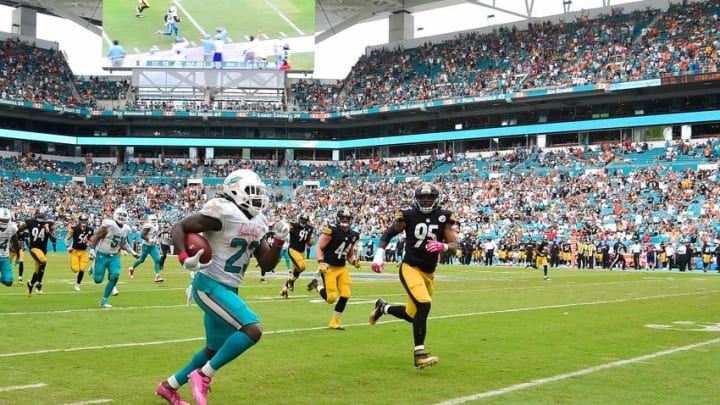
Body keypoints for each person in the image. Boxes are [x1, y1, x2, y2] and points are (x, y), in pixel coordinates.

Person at [156, 169, 285, 405]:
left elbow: (266, 263)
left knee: (213, 350)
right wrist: (184, 256)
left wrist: (278, 242)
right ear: (235, 190)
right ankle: (203, 375)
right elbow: (179, 228)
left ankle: (168, 386)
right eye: (251, 192)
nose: (257, 198)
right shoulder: (223, 210)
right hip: (209, 285)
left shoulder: (258, 220)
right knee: (252, 329)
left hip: (229, 289)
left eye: (259, 193)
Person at [368, 182, 457, 369]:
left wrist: (444, 246)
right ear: (416, 199)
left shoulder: (444, 217)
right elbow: (390, 232)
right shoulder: (407, 215)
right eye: (422, 197)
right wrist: (380, 253)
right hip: (410, 267)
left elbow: (455, 246)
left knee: (411, 315)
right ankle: (419, 354)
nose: (426, 200)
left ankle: (382, 308)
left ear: (436, 199)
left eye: (430, 197)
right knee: (424, 304)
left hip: (428, 272)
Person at [306, 207, 360, 330]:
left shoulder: (353, 235)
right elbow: (319, 247)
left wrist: (354, 261)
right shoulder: (331, 230)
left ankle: (334, 322)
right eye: (342, 218)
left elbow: (350, 254)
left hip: (342, 268)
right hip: (329, 267)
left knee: (346, 294)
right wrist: (320, 262)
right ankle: (317, 285)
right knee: (331, 298)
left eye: (347, 218)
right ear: (338, 219)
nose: (345, 220)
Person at [90, 207, 139, 308]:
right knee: (98, 280)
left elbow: (123, 243)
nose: (121, 217)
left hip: (114, 256)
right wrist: (91, 249)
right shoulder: (108, 225)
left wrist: (132, 252)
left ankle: (104, 300)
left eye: (124, 215)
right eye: (120, 214)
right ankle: (93, 267)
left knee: (115, 275)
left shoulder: (126, 229)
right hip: (102, 254)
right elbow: (96, 237)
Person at [18, 209, 57, 296]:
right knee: (43, 262)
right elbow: (20, 228)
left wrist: (49, 232)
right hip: (34, 249)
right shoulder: (30, 222)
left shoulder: (49, 224)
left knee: (39, 271)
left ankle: (31, 284)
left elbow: (54, 240)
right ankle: (39, 284)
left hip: (43, 250)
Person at [280, 212, 314, 299]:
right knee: (302, 267)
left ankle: (284, 290)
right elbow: (285, 229)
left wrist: (310, 240)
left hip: (302, 252)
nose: (303, 221)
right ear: (299, 219)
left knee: (296, 273)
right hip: (293, 250)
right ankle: (290, 281)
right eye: (302, 219)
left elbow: (310, 242)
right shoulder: (293, 225)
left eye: (305, 220)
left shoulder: (309, 228)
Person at [128, 214, 165, 282]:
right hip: (146, 245)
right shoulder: (148, 226)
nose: (154, 221)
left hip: (153, 246)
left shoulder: (156, 225)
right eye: (152, 220)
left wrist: (156, 241)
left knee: (157, 260)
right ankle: (132, 268)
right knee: (141, 260)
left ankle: (157, 276)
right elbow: (142, 235)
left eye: (154, 220)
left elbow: (154, 235)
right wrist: (149, 239)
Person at [64, 213, 94, 291]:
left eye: (85, 220)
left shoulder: (90, 230)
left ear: (87, 221)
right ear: (79, 221)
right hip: (75, 251)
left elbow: (91, 241)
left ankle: (78, 285)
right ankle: (73, 267)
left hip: (84, 251)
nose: (83, 222)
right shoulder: (74, 229)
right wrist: (68, 247)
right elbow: (66, 238)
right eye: (82, 220)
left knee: (82, 268)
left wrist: (92, 249)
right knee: (75, 269)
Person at [0, 208, 18, 287]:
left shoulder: (11, 227)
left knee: (8, 282)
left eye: (6, 220)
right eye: (2, 220)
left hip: (5, 257)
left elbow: (15, 241)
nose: (4, 222)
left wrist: (18, 254)